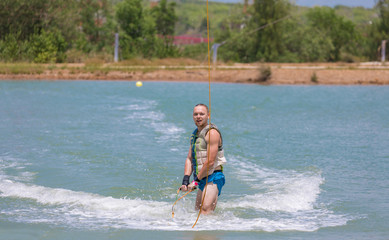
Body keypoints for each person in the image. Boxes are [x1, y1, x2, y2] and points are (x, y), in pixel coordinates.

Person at [180, 103, 226, 214]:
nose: (198, 116)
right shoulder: (195, 134)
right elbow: (189, 158)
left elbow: (210, 162)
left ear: (208, 116)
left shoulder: (212, 133)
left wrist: (195, 182)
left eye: (202, 114)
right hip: (202, 178)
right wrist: (186, 180)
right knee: (198, 211)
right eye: (196, 114)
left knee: (205, 210)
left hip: (213, 176)